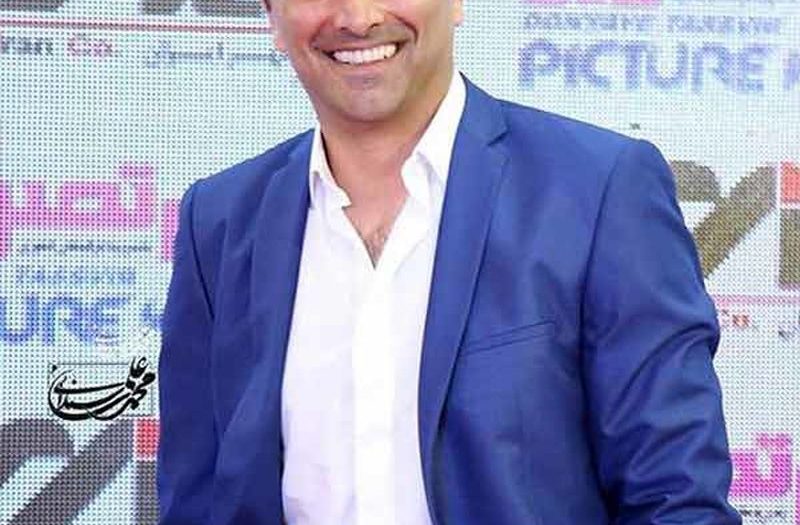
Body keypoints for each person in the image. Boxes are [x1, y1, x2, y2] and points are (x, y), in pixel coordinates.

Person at [157, 0, 741, 523]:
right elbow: (196, 502)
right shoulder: (219, 221)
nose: (358, 17)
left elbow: (677, 499)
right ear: (272, 16)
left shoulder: (598, 190)